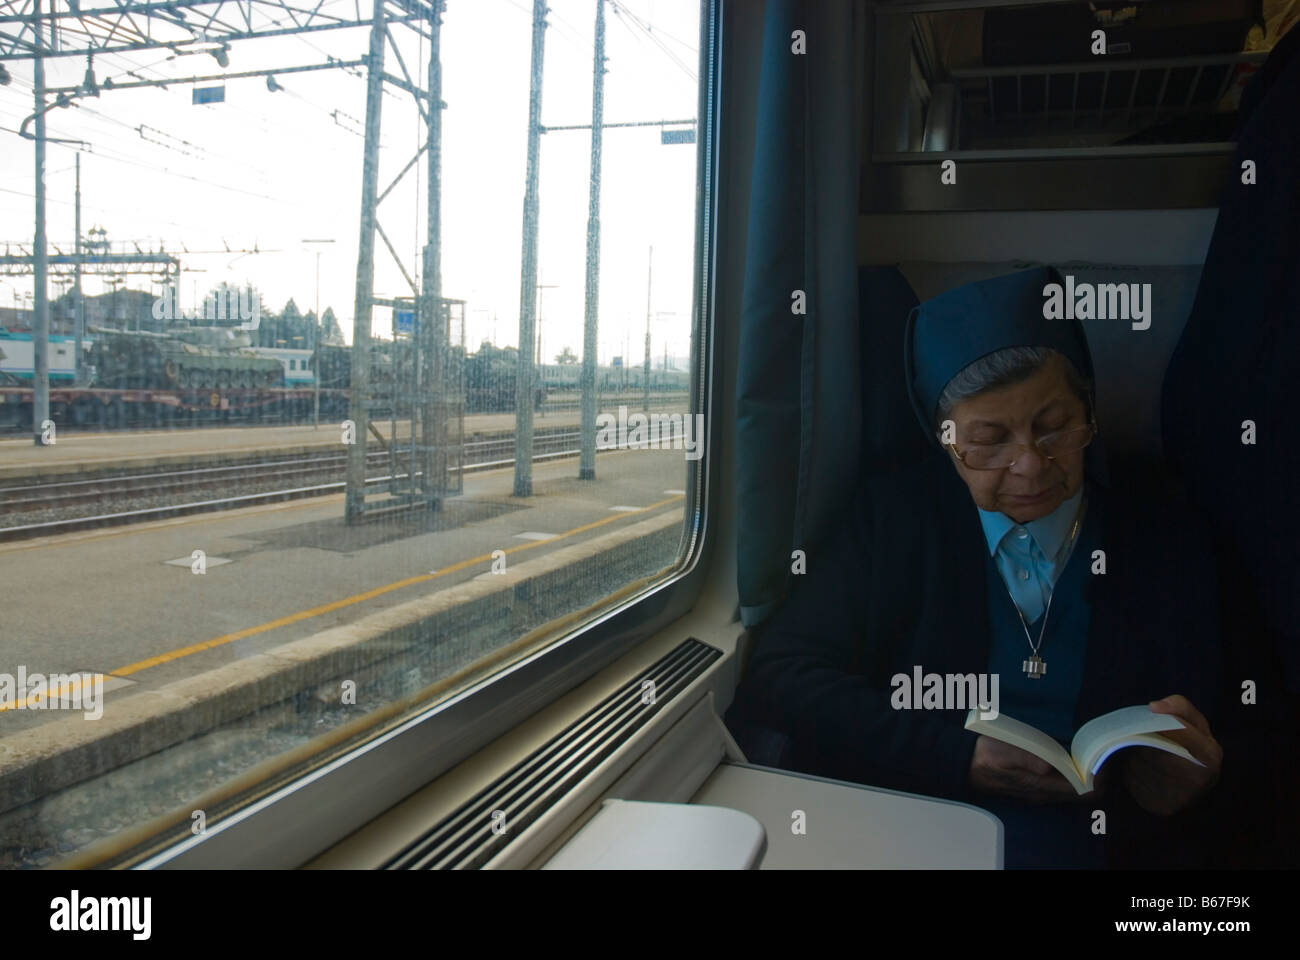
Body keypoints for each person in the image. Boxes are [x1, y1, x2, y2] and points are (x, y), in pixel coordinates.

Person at [726, 266, 1224, 868]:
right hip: (928, 830)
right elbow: (783, 672)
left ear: (1087, 408)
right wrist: (954, 754)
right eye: (989, 441)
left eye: (1055, 426)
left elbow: (1252, 712)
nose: (1031, 467)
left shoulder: (1163, 527)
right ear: (944, 442)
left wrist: (1194, 780)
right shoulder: (896, 519)